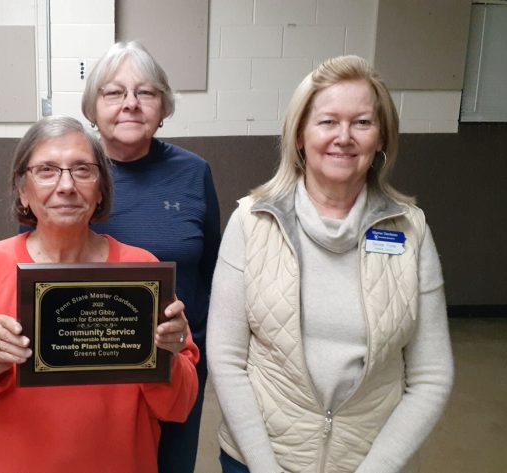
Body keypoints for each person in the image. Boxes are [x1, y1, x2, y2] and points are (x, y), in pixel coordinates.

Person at [207, 55, 454, 473]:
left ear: (381, 139)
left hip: (371, 461)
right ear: (300, 136)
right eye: (327, 122)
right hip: (259, 460)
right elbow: (226, 359)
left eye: (362, 122)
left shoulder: (411, 230)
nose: (344, 137)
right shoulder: (251, 221)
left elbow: (432, 375)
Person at [0, 116, 199, 472]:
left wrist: (167, 356)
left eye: (82, 170)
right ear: (22, 189)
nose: (66, 185)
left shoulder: (141, 271)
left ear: (101, 189)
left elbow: (180, 405)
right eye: (46, 170)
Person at [82, 41, 221, 473]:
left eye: (145, 92)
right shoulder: (72, 171)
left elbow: (212, 270)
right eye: (114, 92)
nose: (130, 103)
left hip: (175, 359)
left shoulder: (193, 172)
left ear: (163, 107)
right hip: (90, 359)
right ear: (92, 107)